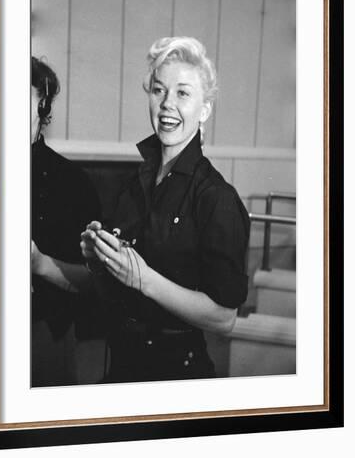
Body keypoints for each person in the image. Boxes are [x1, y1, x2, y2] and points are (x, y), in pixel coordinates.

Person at [81, 37, 250, 383]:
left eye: (183, 93)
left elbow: (224, 319)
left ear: (205, 109)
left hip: (177, 375)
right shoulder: (134, 184)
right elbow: (116, 286)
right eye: (159, 91)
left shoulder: (217, 198)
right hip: (122, 365)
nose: (167, 105)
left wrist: (144, 279)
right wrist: (99, 259)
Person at [31, 56, 101, 386]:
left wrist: (39, 263)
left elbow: (95, 281)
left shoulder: (72, 182)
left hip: (45, 330)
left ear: (42, 101)